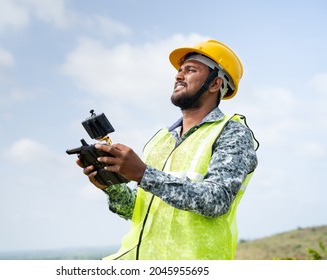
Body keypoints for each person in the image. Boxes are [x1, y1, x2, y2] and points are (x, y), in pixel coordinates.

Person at [76, 39, 258, 260]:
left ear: (214, 84)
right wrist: (110, 185)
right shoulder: (160, 140)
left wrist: (143, 173)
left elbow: (216, 200)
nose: (178, 76)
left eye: (190, 70)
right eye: (179, 71)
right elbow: (138, 210)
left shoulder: (232, 132)